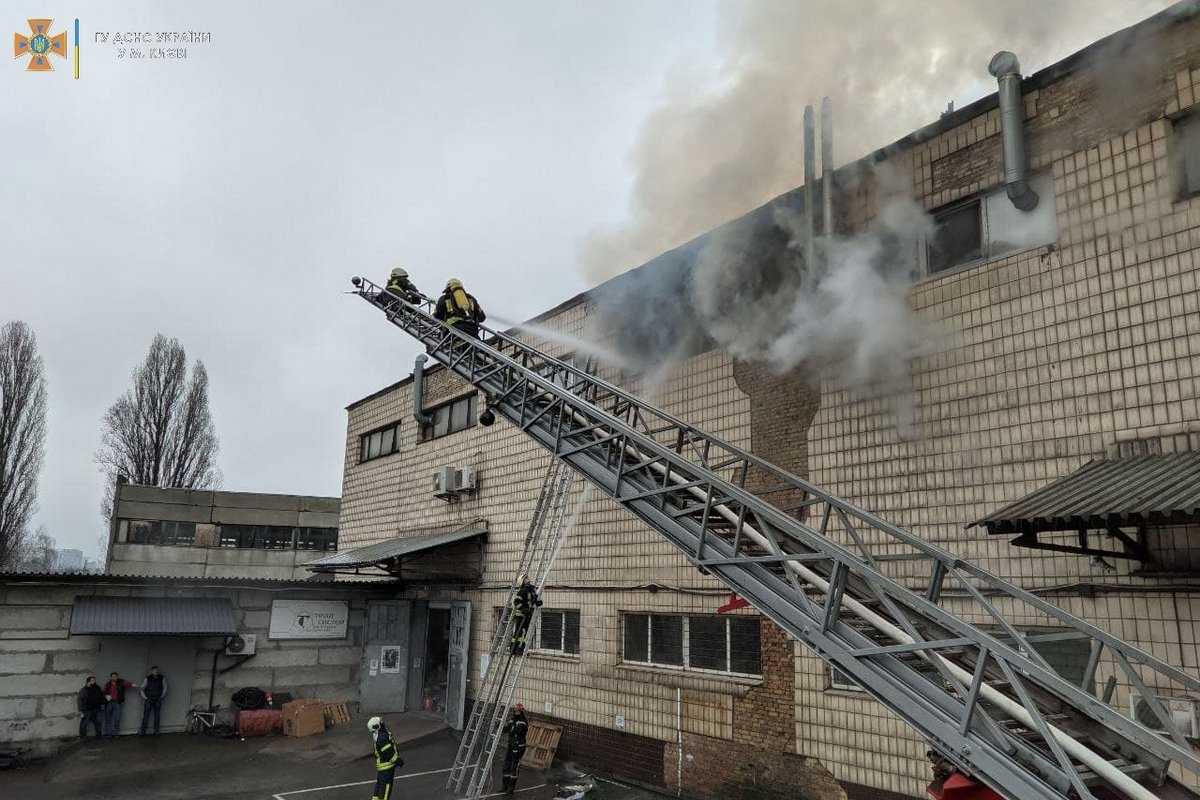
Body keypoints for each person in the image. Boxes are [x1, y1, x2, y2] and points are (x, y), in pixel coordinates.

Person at [367, 715, 402, 800]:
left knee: (379, 785)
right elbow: (388, 753)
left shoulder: (378, 734)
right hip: (387, 767)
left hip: (383, 767)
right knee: (386, 788)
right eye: (380, 722)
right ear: (377, 726)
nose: (382, 722)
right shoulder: (382, 737)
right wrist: (398, 761)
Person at [509, 574, 543, 656]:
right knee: (519, 632)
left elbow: (533, 600)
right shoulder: (522, 590)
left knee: (524, 633)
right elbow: (516, 602)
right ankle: (513, 649)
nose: (528, 578)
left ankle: (520, 649)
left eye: (527, 577)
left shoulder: (532, 590)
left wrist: (538, 602)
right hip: (521, 615)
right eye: (526, 578)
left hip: (527, 615)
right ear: (523, 581)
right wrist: (523, 609)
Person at [500, 704, 529, 795]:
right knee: (506, 765)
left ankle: (511, 788)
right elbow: (505, 730)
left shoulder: (522, 722)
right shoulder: (512, 719)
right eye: (515, 711)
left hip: (519, 747)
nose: (515, 712)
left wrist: (507, 727)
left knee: (514, 767)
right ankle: (505, 786)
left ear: (521, 712)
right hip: (511, 745)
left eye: (517, 711)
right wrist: (501, 725)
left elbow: (514, 730)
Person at [103, 671, 138, 738]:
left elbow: (129, 684)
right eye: (113, 677)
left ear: (117, 677)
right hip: (109, 703)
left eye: (115, 676)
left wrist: (138, 686)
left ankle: (116, 733)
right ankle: (109, 733)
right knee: (108, 718)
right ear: (110, 677)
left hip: (117, 703)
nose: (114, 678)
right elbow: (104, 693)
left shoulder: (121, 682)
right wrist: (106, 696)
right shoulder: (108, 684)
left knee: (117, 718)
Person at [139, 665, 167, 736]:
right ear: (152, 671)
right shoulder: (147, 678)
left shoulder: (162, 678)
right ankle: (142, 730)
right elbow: (142, 688)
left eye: (157, 670)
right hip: (149, 699)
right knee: (146, 715)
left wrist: (161, 696)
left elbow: (165, 688)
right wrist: (145, 697)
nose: (156, 671)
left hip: (157, 699)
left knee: (157, 715)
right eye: (154, 670)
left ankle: (156, 731)